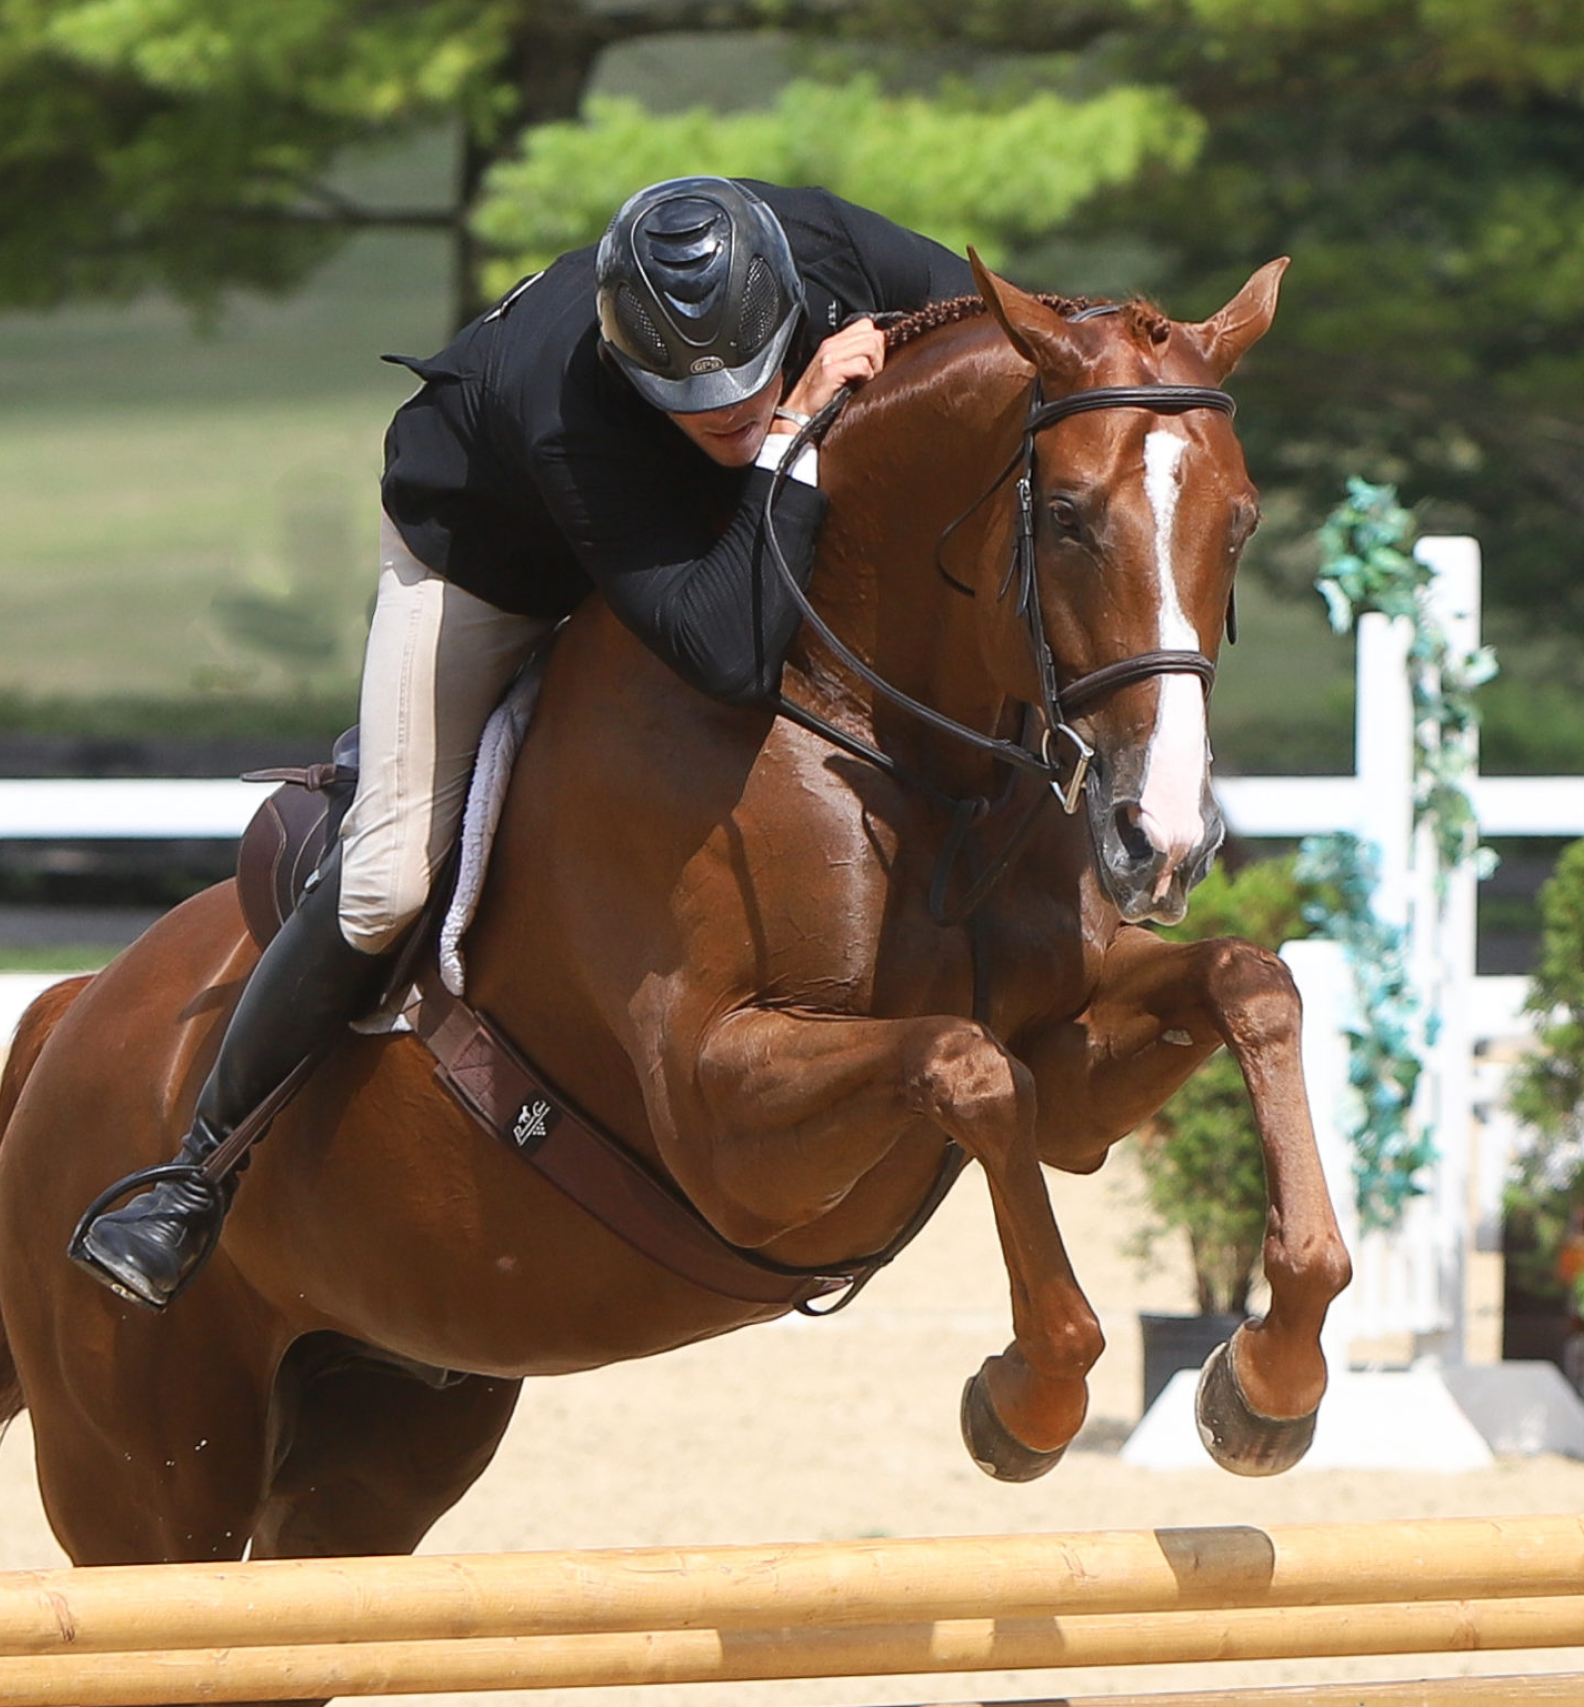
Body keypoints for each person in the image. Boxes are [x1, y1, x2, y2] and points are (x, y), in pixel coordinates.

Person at [70, 177, 974, 1311]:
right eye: (693, 396)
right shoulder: (574, 408)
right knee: (388, 877)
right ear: (630, 364)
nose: (729, 409)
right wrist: (789, 427)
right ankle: (193, 1172)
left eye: (749, 378)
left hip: (707, 517)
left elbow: (1010, 344)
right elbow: (729, 651)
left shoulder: (824, 242)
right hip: (490, 555)